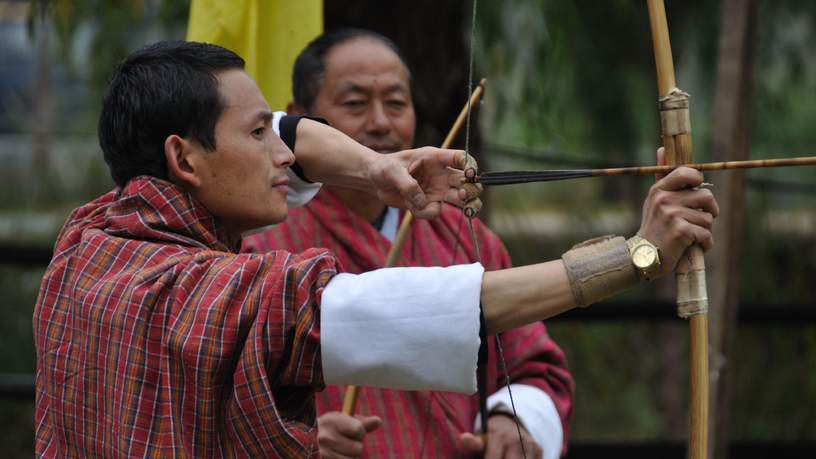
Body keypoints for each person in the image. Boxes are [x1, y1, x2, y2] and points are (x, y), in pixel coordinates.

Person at [33, 40, 718, 458]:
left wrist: (375, 168)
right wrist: (639, 253)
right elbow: (430, 307)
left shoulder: (89, 241)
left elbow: (529, 362)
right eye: (259, 135)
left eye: (396, 101)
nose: (286, 151)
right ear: (184, 158)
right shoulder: (213, 289)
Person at [241, 29, 573, 459]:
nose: (381, 122)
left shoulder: (465, 238)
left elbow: (532, 366)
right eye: (355, 103)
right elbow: (219, 392)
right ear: (299, 122)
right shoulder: (260, 242)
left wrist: (515, 423)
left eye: (396, 103)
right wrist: (293, 439)